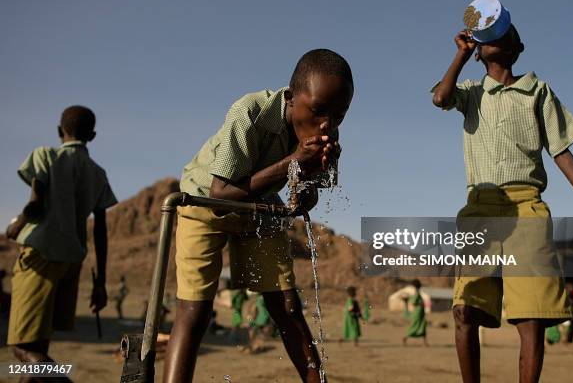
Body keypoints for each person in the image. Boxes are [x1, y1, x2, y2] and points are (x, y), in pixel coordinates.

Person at [432, 14, 573, 382]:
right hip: (480, 207)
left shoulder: (537, 91)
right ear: (479, 51)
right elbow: (440, 98)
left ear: (517, 48)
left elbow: (560, 149)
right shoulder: (471, 93)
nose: (498, 37)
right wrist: (461, 55)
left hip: (526, 205)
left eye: (506, 33)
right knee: (465, 312)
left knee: (531, 317)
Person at [163, 49, 353, 383]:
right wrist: (292, 160)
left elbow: (303, 200)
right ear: (291, 98)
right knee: (195, 310)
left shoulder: (326, 135)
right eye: (319, 110)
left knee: (287, 305)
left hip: (258, 207)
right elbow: (220, 195)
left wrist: (310, 178)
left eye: (339, 115)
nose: (327, 124)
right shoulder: (250, 112)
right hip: (203, 201)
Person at [5, 106, 117, 372]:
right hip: (71, 262)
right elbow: (100, 231)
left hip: (40, 257)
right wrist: (100, 282)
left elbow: (35, 202)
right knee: (40, 345)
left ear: (59, 131)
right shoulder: (98, 174)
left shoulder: (46, 156)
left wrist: (16, 226)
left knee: (22, 348)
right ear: (93, 135)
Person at [402, 279, 427, 347]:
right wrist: (420, 303)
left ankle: (424, 343)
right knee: (415, 325)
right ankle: (405, 337)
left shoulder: (418, 292)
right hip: (418, 311)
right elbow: (413, 301)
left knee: (423, 326)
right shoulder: (416, 292)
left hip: (421, 311)